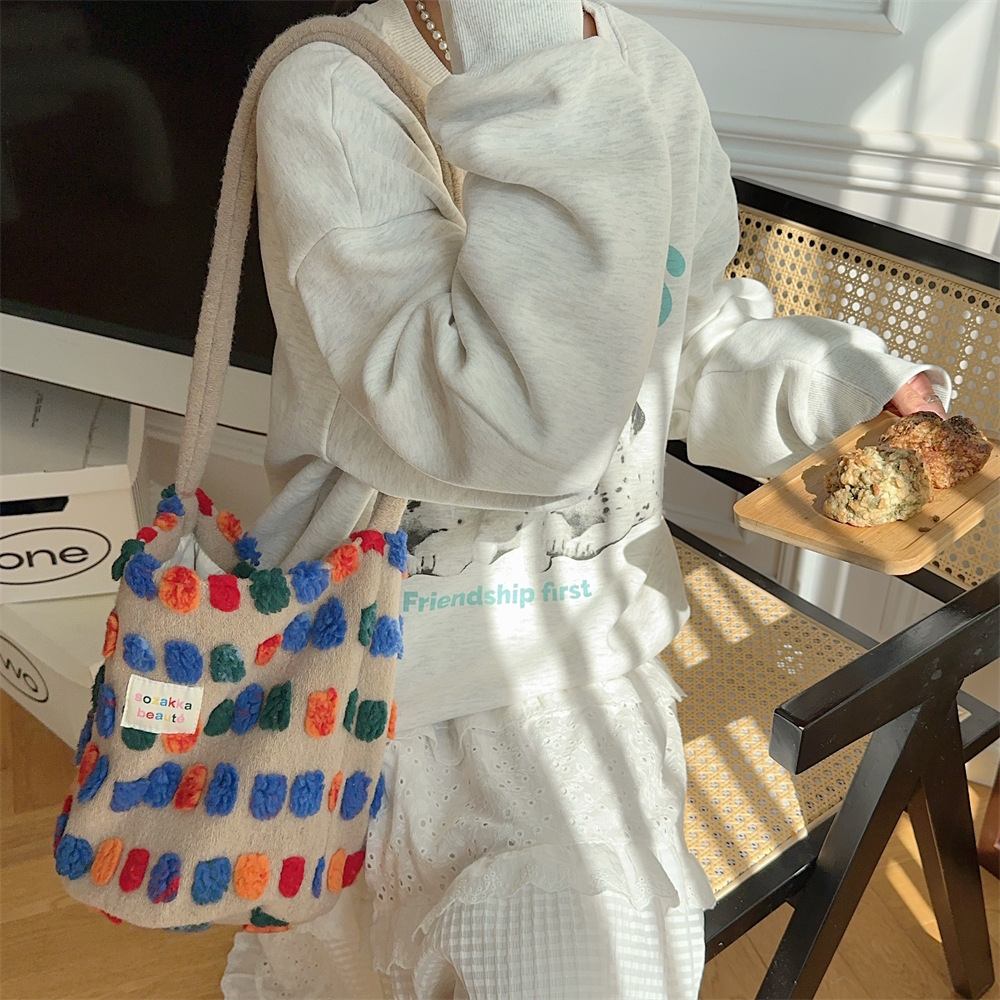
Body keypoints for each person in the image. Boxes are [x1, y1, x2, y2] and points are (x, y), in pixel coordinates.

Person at [221, 1, 949, 997]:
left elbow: (684, 331)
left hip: (583, 666)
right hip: (375, 680)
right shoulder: (336, 89)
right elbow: (515, 422)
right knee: (351, 973)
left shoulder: (648, 74)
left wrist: (835, 395)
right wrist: (529, 39)